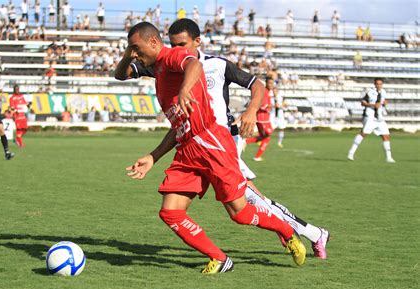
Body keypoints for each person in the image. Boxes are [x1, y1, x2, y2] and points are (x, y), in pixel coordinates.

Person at [116, 19, 329, 260]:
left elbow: (256, 84)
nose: (178, 49)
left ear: (198, 41)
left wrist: (250, 111)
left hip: (220, 140)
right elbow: (123, 74)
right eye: (174, 44)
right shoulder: (162, 65)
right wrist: (154, 156)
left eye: (183, 44)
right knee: (244, 203)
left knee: (247, 202)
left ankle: (309, 233)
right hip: (190, 143)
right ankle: (307, 233)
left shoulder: (216, 64)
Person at [348, 78, 395, 163]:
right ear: (374, 84)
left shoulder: (383, 92)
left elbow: (382, 102)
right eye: (377, 84)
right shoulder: (369, 92)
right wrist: (373, 105)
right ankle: (351, 153)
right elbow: (363, 103)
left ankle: (389, 157)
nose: (379, 85)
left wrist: (385, 103)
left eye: (380, 84)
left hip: (379, 118)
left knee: (386, 136)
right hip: (370, 116)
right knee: (363, 134)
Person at [245, 77, 275, 161]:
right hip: (262, 118)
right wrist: (273, 106)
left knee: (264, 137)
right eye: (270, 83)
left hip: (265, 118)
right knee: (267, 136)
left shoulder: (268, 92)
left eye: (272, 83)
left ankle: (246, 142)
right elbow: (262, 105)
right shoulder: (264, 92)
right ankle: (256, 156)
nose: (271, 85)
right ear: (266, 83)